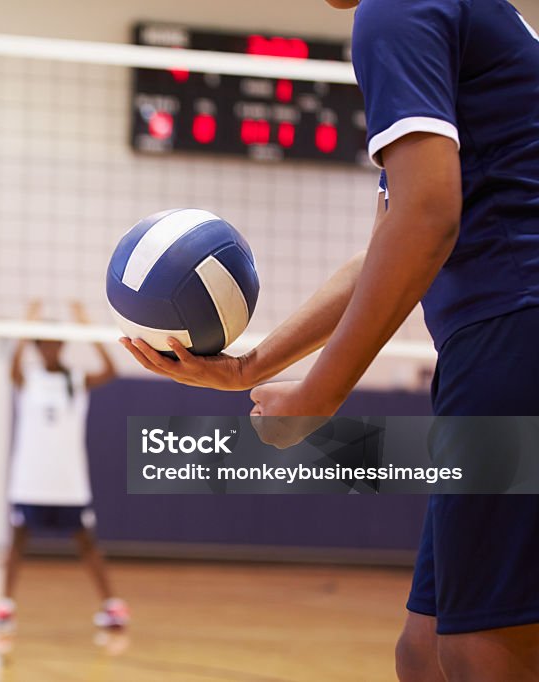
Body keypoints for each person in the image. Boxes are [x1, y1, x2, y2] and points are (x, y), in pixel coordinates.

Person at [122, 1, 539, 678]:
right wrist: (252, 365)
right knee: (426, 651)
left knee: (481, 651)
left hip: (513, 330)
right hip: (499, 338)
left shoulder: (396, 8)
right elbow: (389, 243)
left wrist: (319, 396)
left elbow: (429, 218)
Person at [0, 301, 128, 633]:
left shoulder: (76, 379)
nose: (50, 347)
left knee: (87, 545)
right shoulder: (29, 378)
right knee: (17, 543)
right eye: (44, 342)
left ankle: (112, 607)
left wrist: (87, 327)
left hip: (68, 483)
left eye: (56, 341)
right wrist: (27, 324)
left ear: (63, 345)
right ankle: (4, 607)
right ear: (37, 347)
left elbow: (112, 371)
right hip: (30, 481)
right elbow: (12, 368)